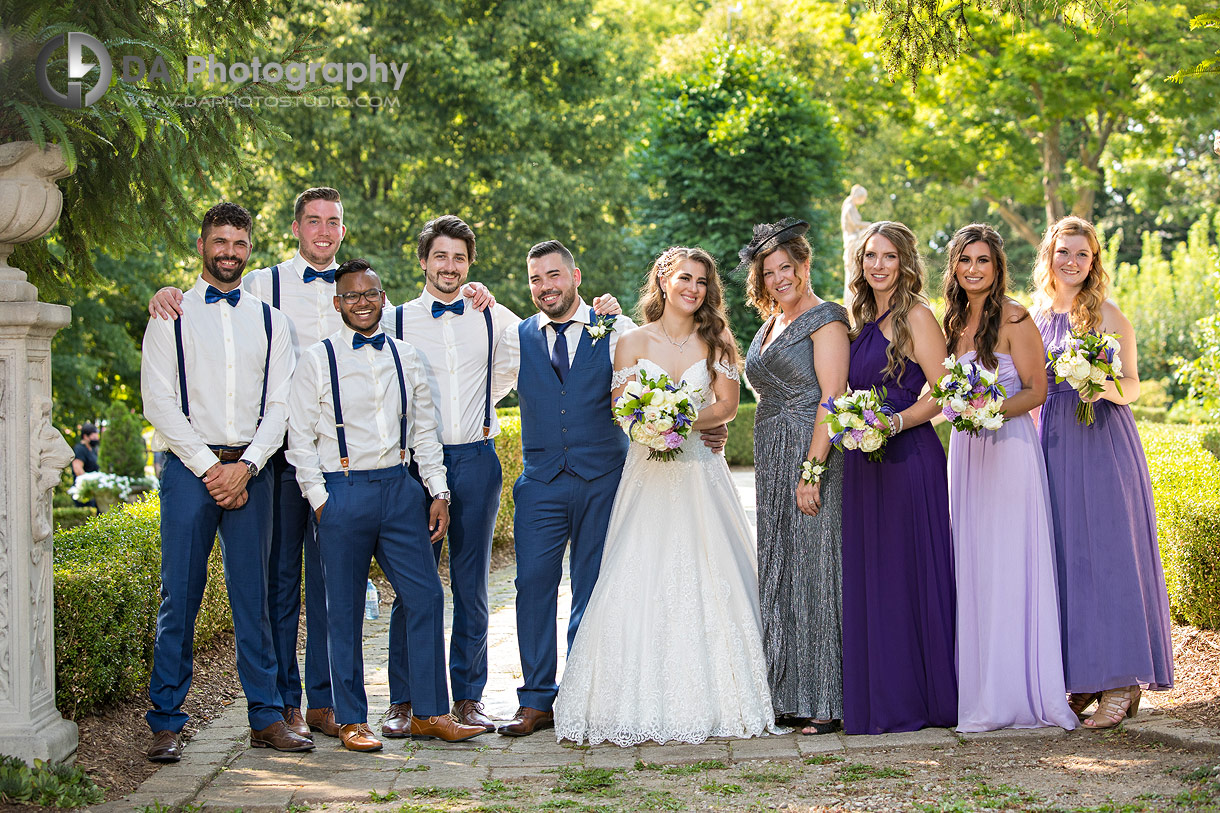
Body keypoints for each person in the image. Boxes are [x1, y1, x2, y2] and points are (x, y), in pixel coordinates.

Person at [146, 189, 494, 741]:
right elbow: (167, 400)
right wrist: (226, 469)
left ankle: (338, 708)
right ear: (295, 228)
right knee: (268, 587)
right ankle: (270, 707)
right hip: (269, 467)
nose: (324, 230)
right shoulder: (254, 288)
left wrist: (435, 488)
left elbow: (415, 420)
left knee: (325, 591)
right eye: (313, 221)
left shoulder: (379, 337)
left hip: (285, 462)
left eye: (333, 221)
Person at [554, 246, 780, 746]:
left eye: (701, 282)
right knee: (637, 571)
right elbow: (620, 408)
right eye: (684, 278)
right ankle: (624, 698)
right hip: (647, 477)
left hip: (702, 472)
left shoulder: (717, 341)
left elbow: (726, 405)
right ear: (663, 279)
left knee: (711, 572)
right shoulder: (631, 341)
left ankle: (723, 695)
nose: (692, 289)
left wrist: (675, 419)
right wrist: (649, 422)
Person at [495, 240, 701, 737]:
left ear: (576, 276)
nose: (545, 287)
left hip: (604, 481)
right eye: (535, 279)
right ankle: (536, 699)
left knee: (594, 589)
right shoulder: (515, 336)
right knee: (532, 588)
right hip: (541, 484)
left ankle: (583, 695)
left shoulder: (615, 328)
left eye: (554, 275)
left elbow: (658, 382)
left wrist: (697, 421)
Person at [286, 258, 488, 751]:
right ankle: (352, 718)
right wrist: (320, 501)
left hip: (401, 490)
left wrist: (438, 491)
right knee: (344, 611)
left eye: (370, 294)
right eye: (351, 295)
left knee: (426, 597)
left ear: (383, 298)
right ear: (338, 303)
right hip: (342, 491)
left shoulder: (407, 356)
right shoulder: (317, 359)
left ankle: (430, 713)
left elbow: (424, 431)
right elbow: (300, 439)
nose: (361, 302)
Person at [139, 202, 312, 762]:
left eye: (238, 243)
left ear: (249, 248)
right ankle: (166, 720)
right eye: (220, 242)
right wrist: (209, 467)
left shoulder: (270, 320)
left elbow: (282, 403)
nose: (229, 252)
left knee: (254, 598)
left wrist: (248, 465)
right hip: (191, 473)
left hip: (253, 473)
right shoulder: (170, 315)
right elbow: (158, 402)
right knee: (180, 597)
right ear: (202, 245)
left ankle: (265, 716)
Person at [376, 215, 522, 734]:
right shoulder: (394, 320)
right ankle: (404, 700)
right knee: (413, 585)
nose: (449, 266)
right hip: (415, 467)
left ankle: (467, 697)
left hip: (477, 461)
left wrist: (479, 404)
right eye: (440, 255)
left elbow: (521, 355)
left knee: (472, 584)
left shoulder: (489, 315)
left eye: (459, 258)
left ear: (470, 265)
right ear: (423, 261)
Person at [1032, 215, 1173, 728]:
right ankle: (1084, 677)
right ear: (1048, 256)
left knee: (1110, 555)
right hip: (1053, 440)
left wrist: (1101, 386)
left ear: (1094, 263)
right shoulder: (1034, 318)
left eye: (1082, 254)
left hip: (1103, 439)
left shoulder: (1108, 314)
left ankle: (1121, 682)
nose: (1072, 261)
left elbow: (1133, 384)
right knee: (1066, 557)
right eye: (1063, 252)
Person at [940, 223, 1077, 733]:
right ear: (954, 267)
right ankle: (977, 689)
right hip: (967, 454)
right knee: (973, 564)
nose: (973, 269)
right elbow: (940, 391)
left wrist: (988, 409)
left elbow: (1038, 390)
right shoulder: (950, 322)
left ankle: (1017, 690)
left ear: (998, 268)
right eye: (965, 260)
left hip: (1009, 449)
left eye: (983, 261)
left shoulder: (1016, 318)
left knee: (1009, 562)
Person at [840, 220, 957, 735]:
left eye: (888, 256)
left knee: (908, 577)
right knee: (877, 579)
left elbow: (944, 390)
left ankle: (922, 697)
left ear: (905, 262)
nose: (878, 266)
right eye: (870, 257)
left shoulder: (916, 317)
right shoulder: (863, 316)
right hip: (866, 467)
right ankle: (883, 695)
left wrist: (895, 421)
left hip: (909, 462)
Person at [740, 219, 850, 736]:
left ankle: (825, 698)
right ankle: (785, 692)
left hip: (812, 451)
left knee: (815, 570)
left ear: (806, 265)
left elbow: (831, 398)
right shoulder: (769, 325)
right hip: (772, 453)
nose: (780, 278)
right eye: (769, 272)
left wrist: (813, 470)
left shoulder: (826, 319)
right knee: (780, 568)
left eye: (788, 267)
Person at [71, 423, 100, 507]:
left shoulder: (93, 450)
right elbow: (77, 469)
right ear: (85, 437)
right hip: (84, 492)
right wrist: (89, 484)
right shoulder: (80, 449)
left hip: (94, 491)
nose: (96, 439)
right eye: (93, 437)